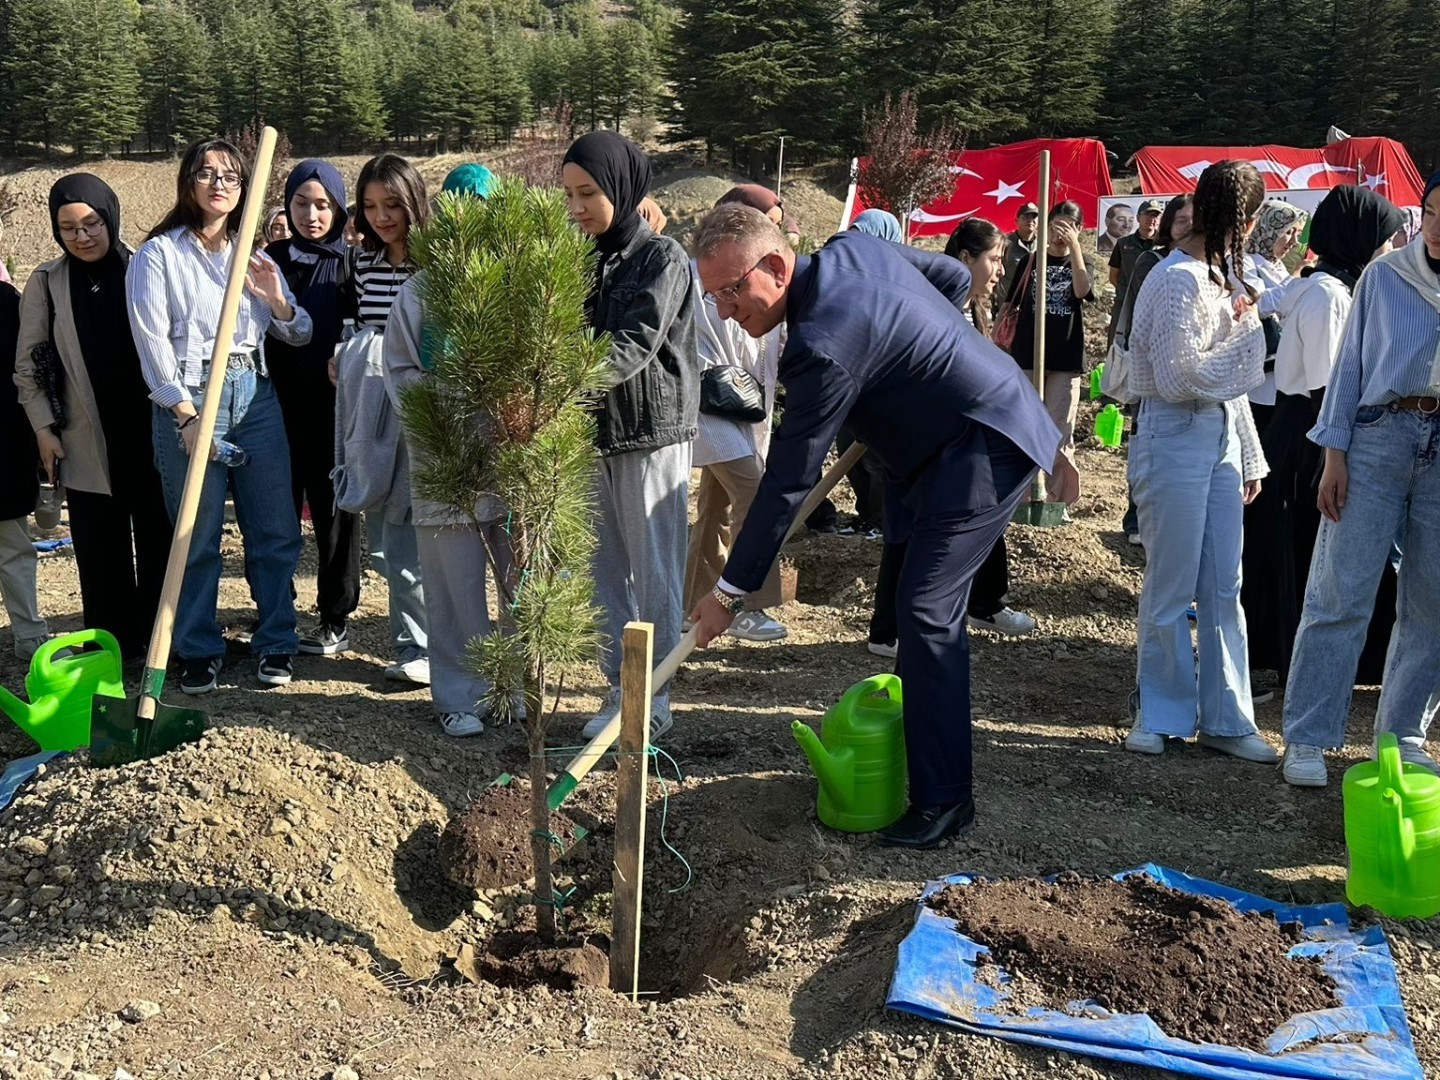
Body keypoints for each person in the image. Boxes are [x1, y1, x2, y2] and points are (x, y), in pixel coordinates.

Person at [689, 205, 1075, 848]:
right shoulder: (851, 252)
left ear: (777, 266)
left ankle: (944, 800)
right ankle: (922, 759)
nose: (727, 311)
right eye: (714, 297)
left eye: (732, 292)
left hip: (986, 442)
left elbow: (787, 483)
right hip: (933, 450)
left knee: (925, 608)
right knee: (911, 594)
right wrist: (914, 354)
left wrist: (730, 593)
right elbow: (952, 278)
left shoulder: (821, 348)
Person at [126, 138, 312, 693]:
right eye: (206, 173)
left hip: (254, 393)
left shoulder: (253, 256)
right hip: (190, 396)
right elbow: (151, 343)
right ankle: (198, 647)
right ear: (188, 183)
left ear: (244, 190)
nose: (219, 184)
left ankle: (277, 639)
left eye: (231, 176)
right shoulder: (157, 255)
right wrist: (184, 414)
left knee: (274, 529)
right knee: (196, 534)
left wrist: (276, 297)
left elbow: (297, 332)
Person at [1278, 177, 1433, 788]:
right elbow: (1349, 367)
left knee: (1432, 602)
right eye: (1435, 212)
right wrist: (1334, 452)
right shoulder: (1386, 276)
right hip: (1379, 433)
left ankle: (1404, 736)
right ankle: (1310, 736)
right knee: (1341, 590)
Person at [1122, 159, 1275, 762]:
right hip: (1175, 433)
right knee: (1171, 579)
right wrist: (1249, 336)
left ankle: (1227, 717)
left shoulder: (1219, 278)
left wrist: (1251, 454)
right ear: (1247, 217)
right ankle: (1159, 711)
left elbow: (1224, 386)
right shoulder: (1179, 278)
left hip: (1219, 438)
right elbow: (1179, 375)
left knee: (1222, 584)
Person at [561, 132, 698, 741]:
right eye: (569, 195)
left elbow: (634, 345)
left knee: (656, 573)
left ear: (620, 186)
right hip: (592, 433)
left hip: (649, 432)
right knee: (602, 572)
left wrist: (557, 377)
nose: (577, 207)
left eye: (588, 193)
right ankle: (620, 688)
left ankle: (655, 695)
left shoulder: (662, 258)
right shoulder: (579, 259)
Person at [1245, 186, 1405, 693]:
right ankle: (1294, 660)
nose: (1390, 247)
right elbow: (1325, 380)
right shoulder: (1327, 295)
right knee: (1307, 549)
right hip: (1313, 434)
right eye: (1383, 237)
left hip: (1318, 429)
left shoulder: (1338, 288)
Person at [14, 174, 172, 659]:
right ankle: (112, 647)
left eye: (91, 223)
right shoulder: (47, 281)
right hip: (85, 435)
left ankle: (167, 641)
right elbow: (29, 361)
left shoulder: (145, 266)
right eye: (68, 228)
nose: (82, 236)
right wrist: (43, 427)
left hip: (151, 429)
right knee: (100, 550)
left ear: (110, 216)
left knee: (159, 539)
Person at [384, 163, 515, 737]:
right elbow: (397, 369)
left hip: (513, 450)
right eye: (461, 212)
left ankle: (515, 687)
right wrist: (454, 390)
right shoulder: (420, 291)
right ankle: (459, 693)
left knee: (523, 574)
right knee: (451, 578)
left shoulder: (521, 286)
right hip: (444, 447)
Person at [868, 218, 1038, 657]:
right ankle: (888, 630)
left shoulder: (973, 307)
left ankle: (984, 602)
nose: (1001, 269)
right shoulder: (931, 305)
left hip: (964, 440)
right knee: (907, 531)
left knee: (984, 520)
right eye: (994, 259)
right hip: (920, 441)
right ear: (965, 260)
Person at [336, 153, 432, 685]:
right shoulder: (364, 262)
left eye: (392, 204)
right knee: (378, 535)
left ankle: (417, 646)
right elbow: (357, 321)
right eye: (371, 206)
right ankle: (416, 638)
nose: (382, 216)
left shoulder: (436, 261)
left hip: (421, 408)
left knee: (408, 533)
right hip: (371, 409)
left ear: (413, 201)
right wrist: (345, 353)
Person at [264, 161, 362, 658]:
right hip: (274, 407)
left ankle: (335, 616)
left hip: (334, 411)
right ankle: (276, 608)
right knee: (277, 515)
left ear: (340, 208)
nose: (311, 214)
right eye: (301, 203)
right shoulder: (270, 258)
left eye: (323, 204)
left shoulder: (352, 262)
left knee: (334, 516)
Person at [684, 184, 789, 644]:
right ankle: (748, 603)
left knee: (713, 507)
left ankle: (691, 599)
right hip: (712, 407)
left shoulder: (755, 269)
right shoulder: (712, 272)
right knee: (755, 493)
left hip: (740, 408)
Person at [1112, 194, 1194, 546]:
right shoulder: (1151, 261)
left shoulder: (1206, 266)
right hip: (1150, 371)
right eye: (1181, 220)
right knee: (1145, 443)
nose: (1188, 227)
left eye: (1195, 220)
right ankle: (1135, 519)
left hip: (1186, 378)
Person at [1005, 201, 1093, 484]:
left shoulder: (1083, 262)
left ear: (1078, 229)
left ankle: (1056, 495)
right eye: (1056, 226)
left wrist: (1075, 248)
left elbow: (1082, 290)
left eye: (1067, 228)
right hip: (1028, 353)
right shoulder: (1031, 261)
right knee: (1025, 422)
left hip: (1065, 357)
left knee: (1059, 428)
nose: (1059, 235)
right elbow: (1010, 303)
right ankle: (1024, 489)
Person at [1, 277, 51, 660]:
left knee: (12, 547)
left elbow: (24, 372)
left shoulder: (7, 303)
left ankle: (29, 634)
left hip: (2, 445)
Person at [1241, 199, 1308, 425]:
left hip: (1287, 373)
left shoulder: (1278, 265)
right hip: (1259, 377)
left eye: (1297, 234)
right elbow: (1255, 305)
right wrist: (1298, 279)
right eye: (1288, 232)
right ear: (1269, 228)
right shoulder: (1244, 263)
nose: (1293, 241)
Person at [1107, 198, 1163, 346]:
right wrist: (1127, 290)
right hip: (1126, 303)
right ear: (1138, 218)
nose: (1152, 219)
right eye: (1148, 214)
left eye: (1155, 216)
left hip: (1155, 304)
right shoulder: (1123, 243)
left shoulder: (1165, 245)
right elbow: (1113, 276)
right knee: (1117, 344)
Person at [997, 202, 1039, 308]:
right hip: (1008, 305)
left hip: (1034, 306)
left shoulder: (1044, 245)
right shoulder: (1005, 244)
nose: (1030, 220)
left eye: (1034, 217)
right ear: (1017, 220)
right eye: (1026, 217)